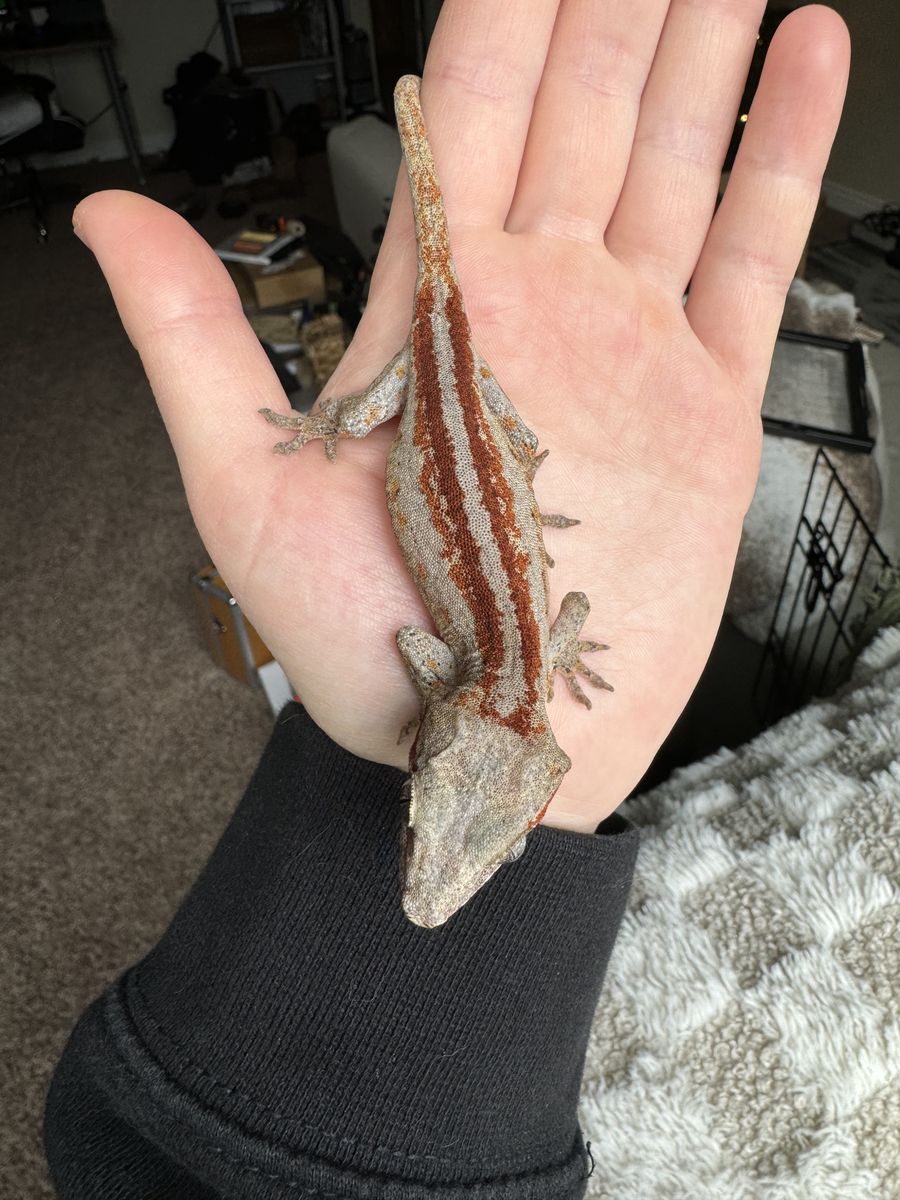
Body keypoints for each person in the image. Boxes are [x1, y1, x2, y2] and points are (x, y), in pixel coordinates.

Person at [43, 1, 850, 1195]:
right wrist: (342, 424)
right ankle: (385, 363)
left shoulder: (509, 670)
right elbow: (442, 654)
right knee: (376, 392)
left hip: (481, 444)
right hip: (439, 413)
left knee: (406, 374)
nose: (428, 859)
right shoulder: (469, 666)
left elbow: (514, 646)